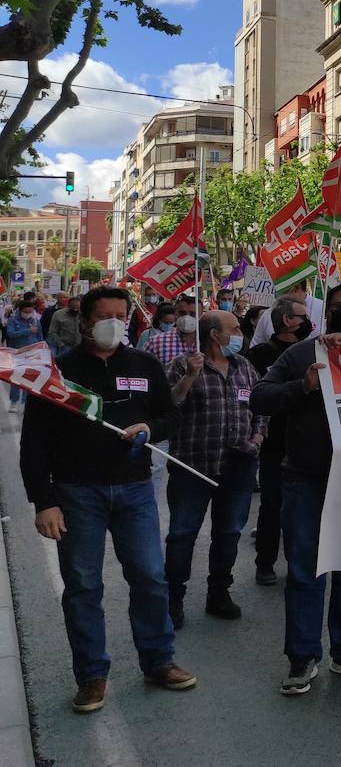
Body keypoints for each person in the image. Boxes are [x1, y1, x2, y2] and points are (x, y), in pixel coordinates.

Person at [19, 286, 196, 712]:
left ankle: (158, 661)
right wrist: (43, 501)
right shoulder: (57, 373)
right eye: (104, 316)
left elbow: (171, 414)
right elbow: (35, 444)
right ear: (84, 321)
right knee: (83, 587)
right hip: (76, 494)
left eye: (121, 314)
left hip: (135, 489)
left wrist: (150, 430)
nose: (113, 323)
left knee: (150, 578)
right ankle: (92, 676)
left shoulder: (144, 364)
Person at [251, 283, 341, 694]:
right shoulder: (300, 354)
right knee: (306, 570)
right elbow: (260, 397)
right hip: (307, 478)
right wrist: (303, 386)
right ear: (325, 311)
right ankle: (303, 656)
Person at [163, 311, 263, 628]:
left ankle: (219, 592)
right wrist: (189, 377)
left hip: (239, 466)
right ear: (213, 334)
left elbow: (260, 407)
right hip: (192, 465)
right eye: (233, 329)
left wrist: (258, 437)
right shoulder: (183, 364)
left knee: (229, 533)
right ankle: (173, 599)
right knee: (182, 535)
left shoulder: (244, 366)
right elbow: (167, 406)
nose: (239, 334)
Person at [245, 296, 309, 586]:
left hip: (306, 440)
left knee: (304, 508)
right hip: (273, 442)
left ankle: (300, 561)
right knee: (272, 505)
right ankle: (265, 562)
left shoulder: (312, 351)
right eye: (303, 316)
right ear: (288, 321)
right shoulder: (259, 354)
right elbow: (253, 396)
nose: (308, 322)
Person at [251, 280, 322, 347]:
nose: (278, 293)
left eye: (282, 288)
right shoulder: (269, 313)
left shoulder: (322, 308)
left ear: (294, 288)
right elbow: (256, 344)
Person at [6, 297, 43, 407]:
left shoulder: (35, 320)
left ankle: (25, 402)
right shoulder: (13, 319)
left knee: (29, 378)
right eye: (26, 312)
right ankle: (14, 401)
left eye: (30, 312)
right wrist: (27, 331)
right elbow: (10, 334)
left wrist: (42, 348)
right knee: (16, 377)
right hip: (17, 352)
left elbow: (39, 336)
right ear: (20, 310)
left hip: (32, 353)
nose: (28, 314)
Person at [145, 295, 198, 366]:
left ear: (201, 315)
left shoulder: (209, 343)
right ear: (175, 313)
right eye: (182, 313)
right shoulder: (155, 343)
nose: (187, 318)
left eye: (193, 314)